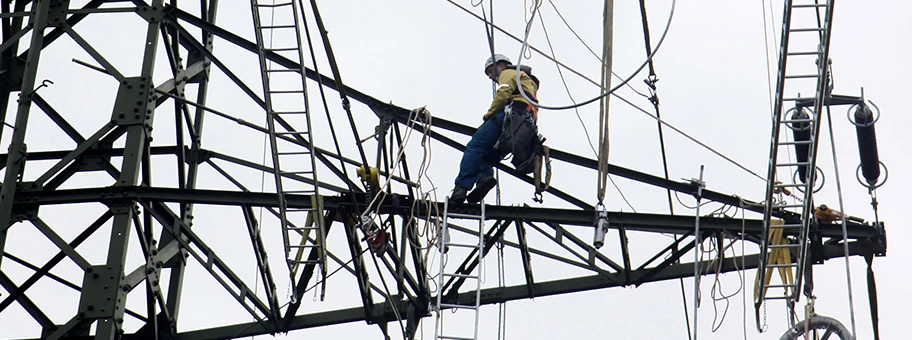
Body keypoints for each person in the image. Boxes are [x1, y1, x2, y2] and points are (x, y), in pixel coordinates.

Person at [450, 54, 539, 204]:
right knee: (487, 156)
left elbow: (503, 93)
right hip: (522, 126)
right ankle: (485, 179)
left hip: (508, 117)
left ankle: (461, 188)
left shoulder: (508, 73)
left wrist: (489, 114)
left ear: (502, 65)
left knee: (475, 147)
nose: (491, 76)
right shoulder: (528, 83)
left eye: (492, 71)